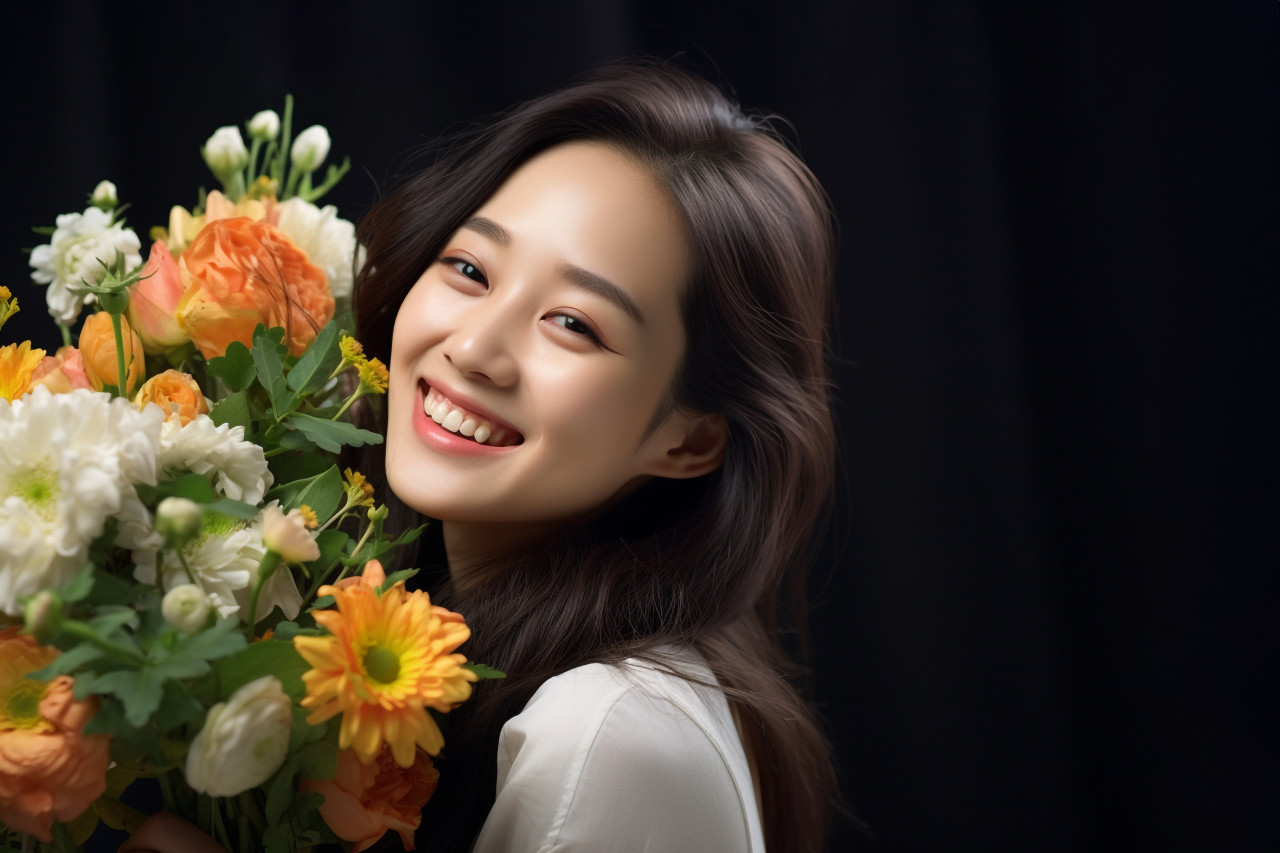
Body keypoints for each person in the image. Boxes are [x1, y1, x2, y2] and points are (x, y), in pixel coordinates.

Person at [126, 61, 838, 853]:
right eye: (469, 269)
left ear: (690, 439)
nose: (473, 348)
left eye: (574, 323)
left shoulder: (606, 735)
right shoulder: (445, 629)